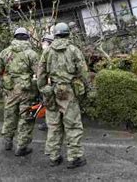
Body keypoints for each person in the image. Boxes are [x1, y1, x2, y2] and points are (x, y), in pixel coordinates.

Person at [37, 22, 89, 169]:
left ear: (55, 34)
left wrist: (43, 88)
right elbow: (83, 72)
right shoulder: (73, 50)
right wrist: (88, 88)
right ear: (68, 34)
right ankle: (74, 157)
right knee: (72, 125)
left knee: (53, 125)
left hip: (51, 91)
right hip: (69, 91)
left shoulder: (47, 52)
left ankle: (54, 156)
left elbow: (40, 73)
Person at [0, 27, 39, 156]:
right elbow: (39, 73)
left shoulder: (5, 52)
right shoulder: (31, 54)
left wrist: (5, 78)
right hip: (26, 90)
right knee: (26, 117)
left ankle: (8, 142)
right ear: (27, 38)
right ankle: (22, 147)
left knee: (9, 114)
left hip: (10, 89)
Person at [38, 34, 54, 132]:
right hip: (56, 83)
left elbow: (42, 72)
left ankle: (49, 124)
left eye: (44, 42)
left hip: (50, 83)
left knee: (49, 104)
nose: (43, 44)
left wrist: (41, 87)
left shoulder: (47, 53)